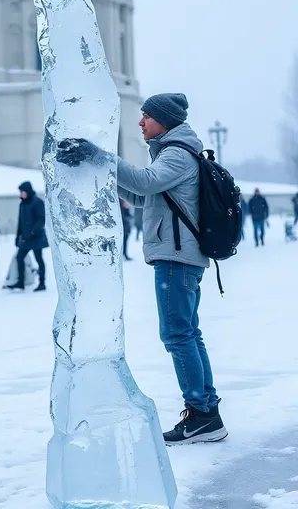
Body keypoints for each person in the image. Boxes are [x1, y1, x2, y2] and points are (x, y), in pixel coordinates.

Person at [56, 93, 227, 445]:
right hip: (180, 258)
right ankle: (207, 413)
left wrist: (99, 155)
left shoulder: (177, 153)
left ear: (164, 121)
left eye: (147, 116)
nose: (140, 122)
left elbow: (145, 183)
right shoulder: (173, 153)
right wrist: (98, 168)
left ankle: (201, 414)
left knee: (178, 336)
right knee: (188, 334)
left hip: (176, 259)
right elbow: (141, 195)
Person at [7, 181, 48, 292]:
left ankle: (42, 283)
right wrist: (17, 236)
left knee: (39, 259)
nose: (21, 193)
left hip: (36, 237)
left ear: (28, 191)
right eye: (20, 192)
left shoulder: (37, 202)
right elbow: (20, 222)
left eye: (22, 191)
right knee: (19, 257)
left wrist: (34, 231)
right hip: (25, 238)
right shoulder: (22, 204)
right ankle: (20, 282)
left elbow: (41, 218)